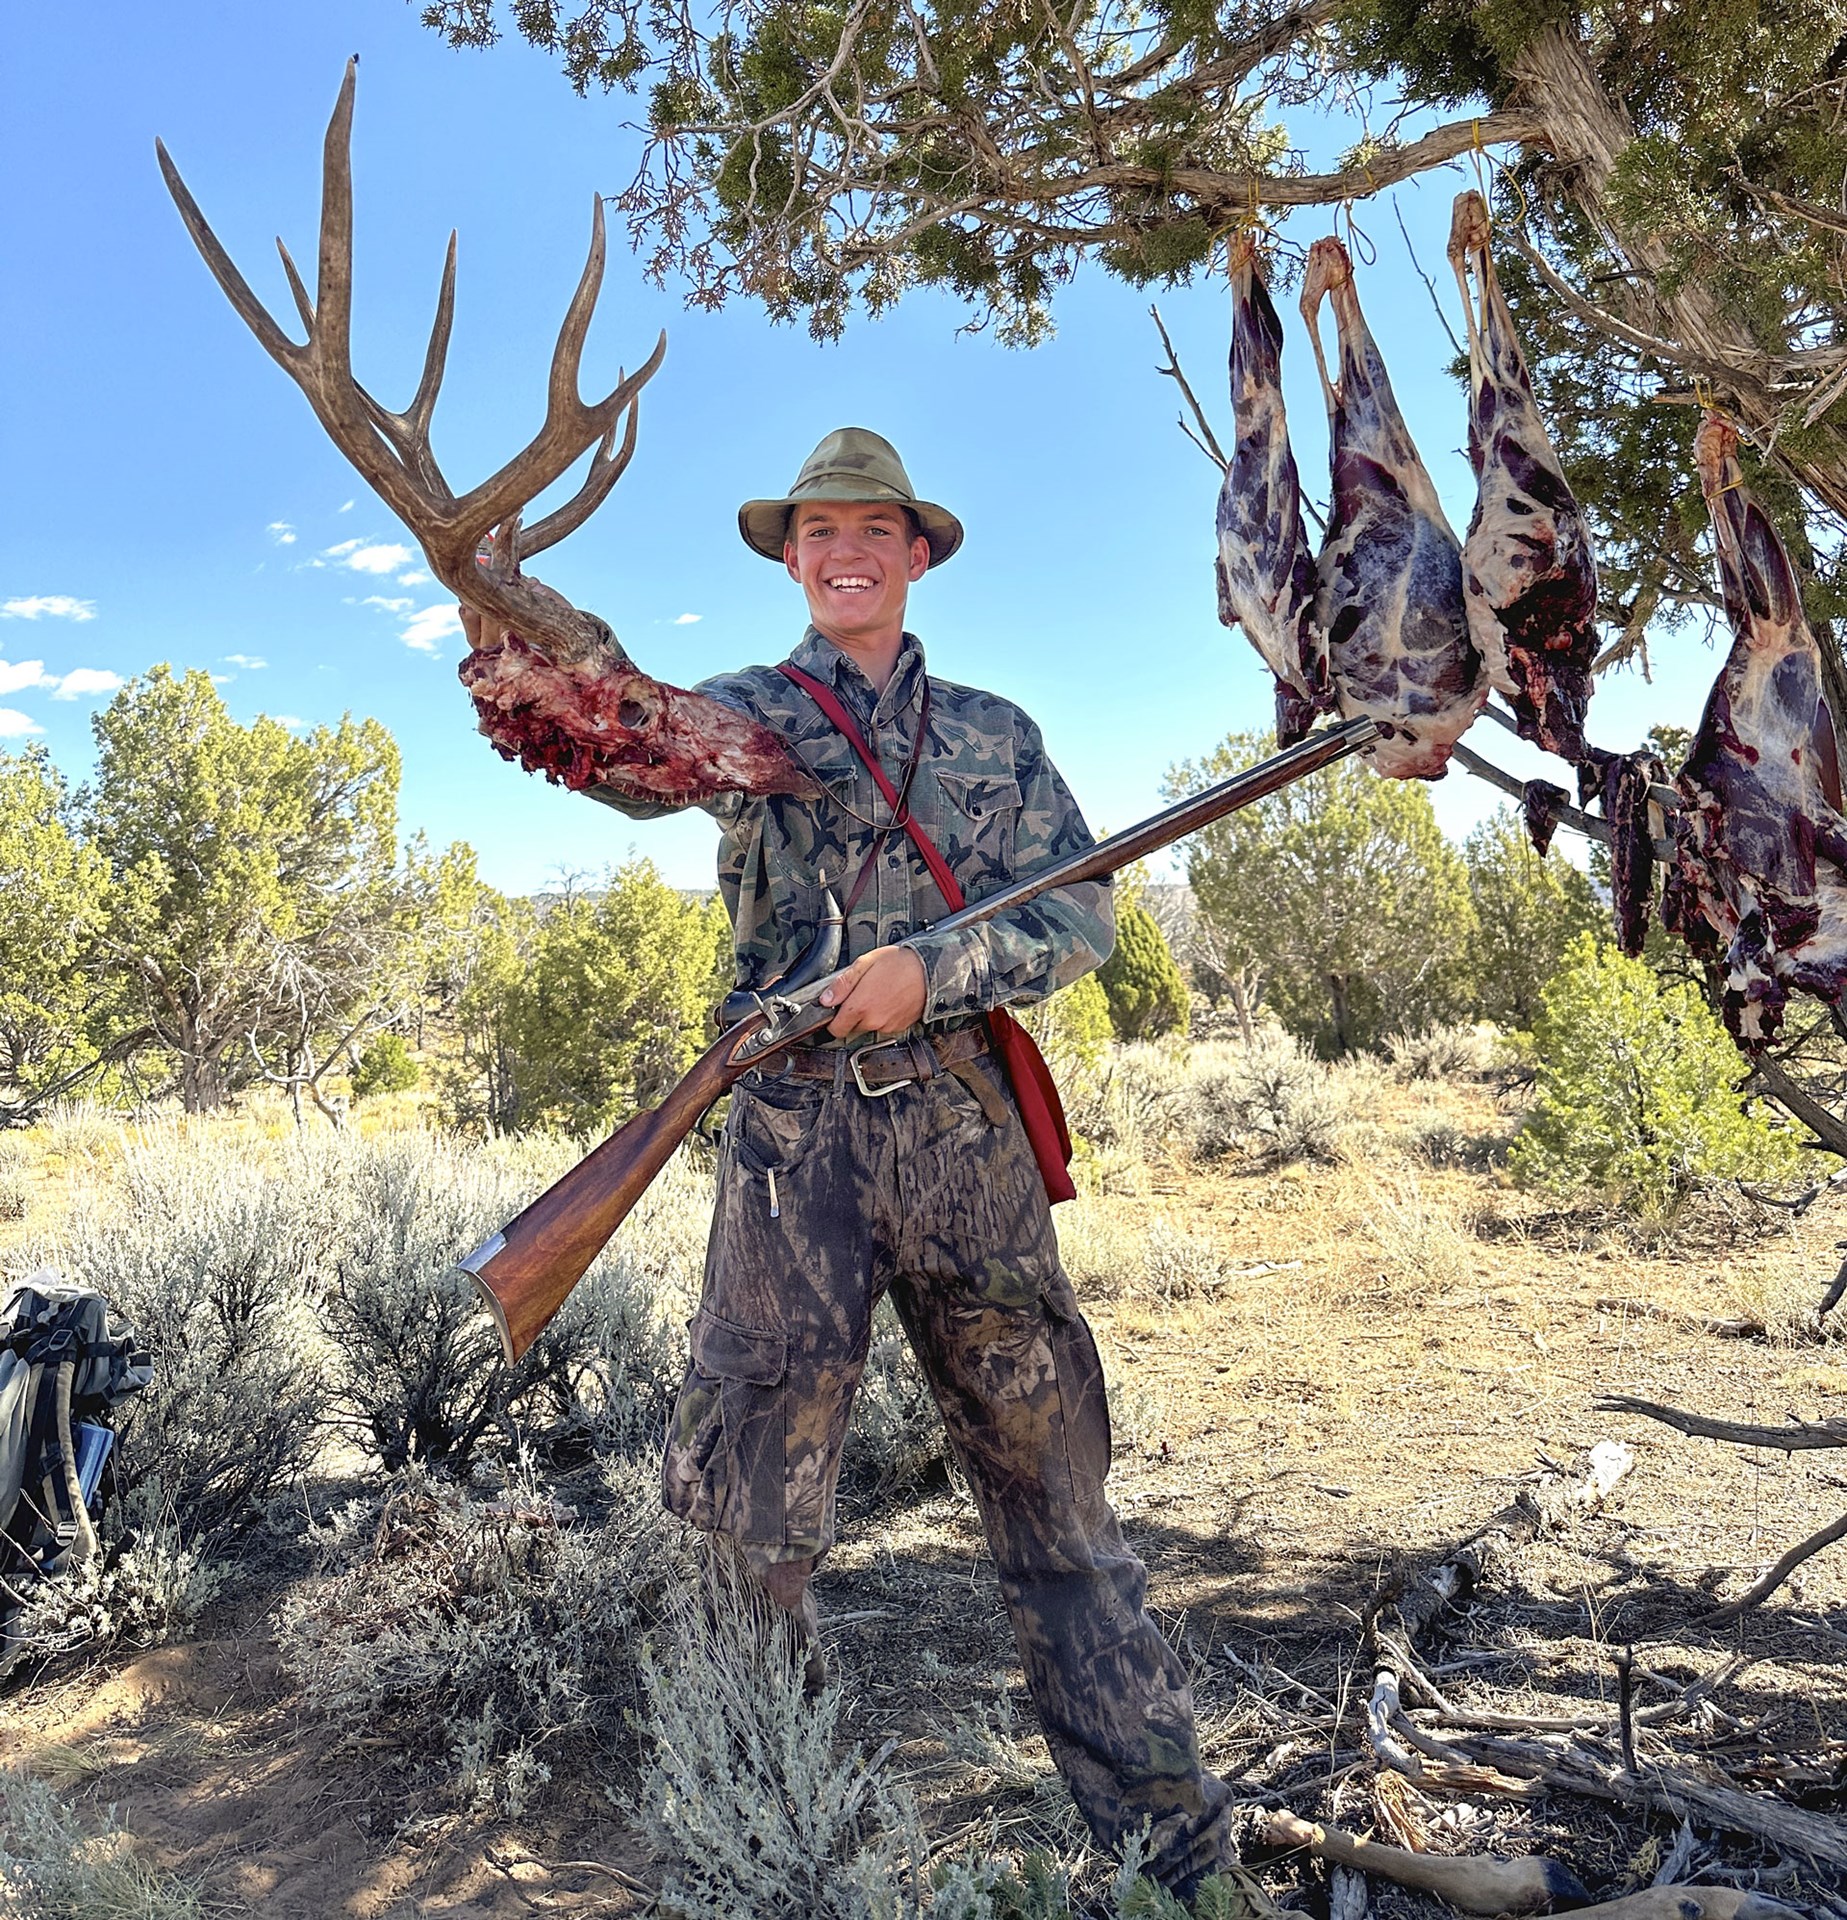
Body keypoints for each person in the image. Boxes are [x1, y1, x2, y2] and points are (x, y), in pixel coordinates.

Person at [469, 427, 1247, 1898]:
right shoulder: (748, 718)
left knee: (1062, 1517)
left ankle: (1181, 1865)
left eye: (873, 531)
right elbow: (625, 749)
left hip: (965, 1147)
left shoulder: (998, 736)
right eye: (818, 530)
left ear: (917, 553)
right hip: (789, 1158)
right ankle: (785, 1854)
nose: (844, 552)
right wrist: (512, 653)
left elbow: (1082, 920)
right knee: (746, 1533)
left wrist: (936, 969)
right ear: (788, 556)